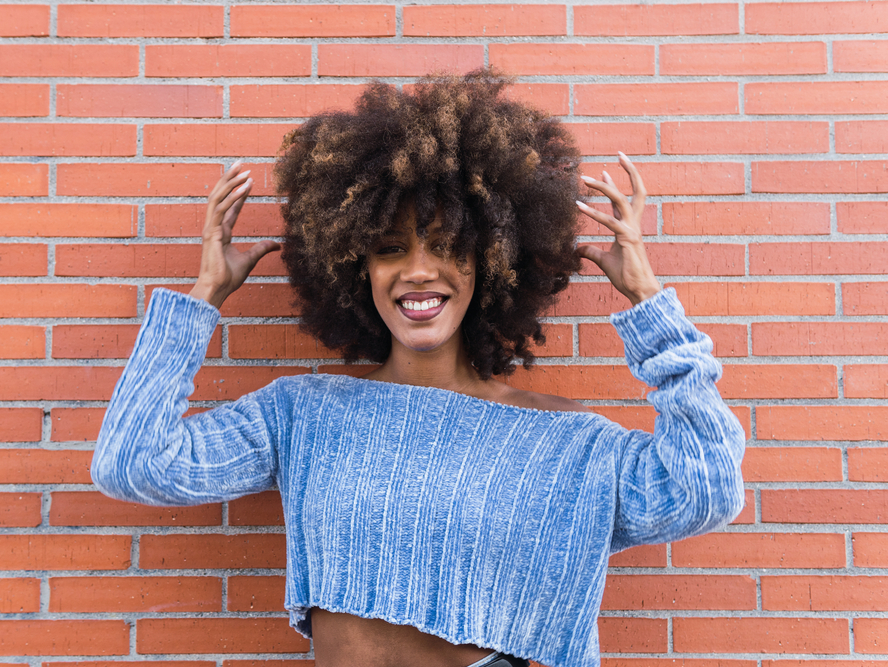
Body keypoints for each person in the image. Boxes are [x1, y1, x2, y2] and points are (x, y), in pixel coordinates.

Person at [92, 71, 746, 667]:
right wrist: (202, 298)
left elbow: (707, 486)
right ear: (356, 270)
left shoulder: (565, 442)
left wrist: (648, 302)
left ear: (492, 265)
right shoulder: (305, 413)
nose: (417, 271)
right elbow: (135, 462)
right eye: (389, 249)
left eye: (447, 246)